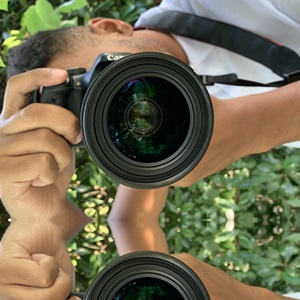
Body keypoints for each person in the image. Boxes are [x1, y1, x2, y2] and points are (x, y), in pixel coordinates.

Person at [1, 0, 300, 299]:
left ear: (111, 27)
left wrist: (252, 125)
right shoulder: (181, 134)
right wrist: (41, 225)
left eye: (99, 83)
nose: (127, 109)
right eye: (96, 125)